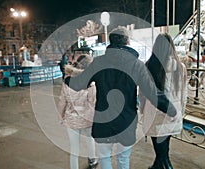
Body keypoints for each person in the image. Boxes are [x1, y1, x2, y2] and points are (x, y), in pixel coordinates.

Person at [65, 27, 177, 169]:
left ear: (111, 42)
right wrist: (171, 110)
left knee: (104, 159)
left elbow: (79, 84)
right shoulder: (137, 65)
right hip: (126, 123)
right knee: (123, 160)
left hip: (103, 122)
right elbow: (152, 93)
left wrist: (67, 79)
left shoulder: (99, 62)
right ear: (127, 41)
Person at [139, 33, 188, 169]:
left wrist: (142, 110)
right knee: (164, 149)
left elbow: (142, 94)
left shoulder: (149, 66)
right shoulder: (180, 67)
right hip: (173, 114)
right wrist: (180, 113)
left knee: (162, 154)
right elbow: (184, 94)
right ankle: (156, 166)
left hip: (155, 114)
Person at [57, 54, 98, 169]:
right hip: (87, 119)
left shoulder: (67, 81)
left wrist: (61, 117)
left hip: (71, 119)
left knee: (74, 148)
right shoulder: (91, 83)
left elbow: (62, 102)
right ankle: (92, 161)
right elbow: (93, 103)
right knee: (90, 140)